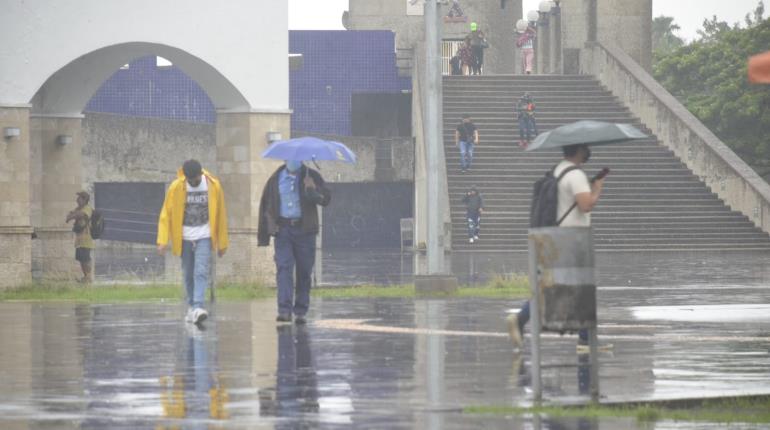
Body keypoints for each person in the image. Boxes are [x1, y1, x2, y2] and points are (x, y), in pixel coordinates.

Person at [508, 143, 605, 349]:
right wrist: (596, 189)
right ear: (578, 151)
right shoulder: (576, 175)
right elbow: (586, 205)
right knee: (578, 288)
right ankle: (521, 318)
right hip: (571, 239)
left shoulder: (558, 170)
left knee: (564, 288)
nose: (588, 151)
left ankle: (585, 338)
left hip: (555, 237)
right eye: (585, 148)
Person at [258, 160, 331, 324]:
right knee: (284, 268)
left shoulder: (312, 176)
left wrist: (312, 191)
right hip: (283, 230)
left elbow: (326, 199)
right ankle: (284, 310)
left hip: (305, 231)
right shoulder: (275, 178)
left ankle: (300, 310)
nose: (292, 161)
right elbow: (266, 204)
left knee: (304, 271)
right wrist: (268, 229)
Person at [157, 159, 229, 325]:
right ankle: (191, 307)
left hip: (205, 235)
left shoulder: (213, 186)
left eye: (195, 180)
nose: (193, 183)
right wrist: (162, 240)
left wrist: (222, 243)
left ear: (200, 174)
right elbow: (165, 214)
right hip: (185, 238)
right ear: (185, 177)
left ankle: (198, 306)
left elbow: (221, 215)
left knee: (201, 270)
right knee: (188, 273)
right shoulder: (176, 187)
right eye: (190, 181)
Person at [66, 191, 95, 283]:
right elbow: (70, 214)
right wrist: (72, 215)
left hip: (87, 238)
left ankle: (89, 277)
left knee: (86, 258)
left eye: (79, 198)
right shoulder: (79, 208)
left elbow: (80, 214)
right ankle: (85, 277)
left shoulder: (87, 208)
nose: (77, 200)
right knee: (81, 259)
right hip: (79, 240)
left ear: (84, 199)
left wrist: (72, 216)